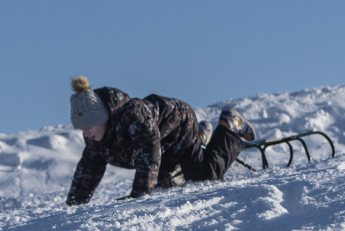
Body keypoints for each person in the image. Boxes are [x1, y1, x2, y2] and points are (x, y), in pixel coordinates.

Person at [65, 76, 256, 205]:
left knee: (202, 177)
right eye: (82, 129)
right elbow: (89, 168)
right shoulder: (96, 137)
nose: (86, 133)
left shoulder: (133, 115)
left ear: (101, 118)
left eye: (88, 127)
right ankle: (199, 138)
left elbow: (149, 154)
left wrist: (139, 197)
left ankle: (230, 127)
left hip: (179, 127)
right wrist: (74, 206)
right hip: (162, 142)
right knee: (170, 185)